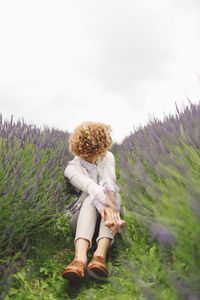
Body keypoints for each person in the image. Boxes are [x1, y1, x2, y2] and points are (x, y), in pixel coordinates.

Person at [61, 121, 126, 284]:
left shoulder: (107, 157)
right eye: (87, 153)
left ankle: (99, 257)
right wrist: (111, 213)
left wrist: (110, 206)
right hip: (83, 220)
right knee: (92, 195)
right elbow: (92, 187)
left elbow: (109, 181)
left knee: (113, 193)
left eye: (95, 152)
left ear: (101, 148)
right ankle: (79, 260)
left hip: (109, 219)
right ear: (79, 150)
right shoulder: (71, 168)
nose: (91, 157)